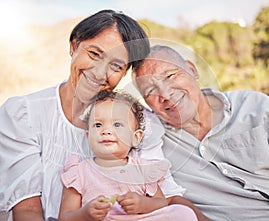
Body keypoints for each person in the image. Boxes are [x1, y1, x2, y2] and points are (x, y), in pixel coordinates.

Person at [0, 9, 173, 221]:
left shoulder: (139, 122)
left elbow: (165, 200)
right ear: (74, 46)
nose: (100, 73)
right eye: (94, 54)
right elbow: (27, 211)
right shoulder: (24, 115)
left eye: (116, 66)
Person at [133, 45, 269, 220]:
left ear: (192, 69)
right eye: (150, 91)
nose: (165, 94)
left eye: (170, 76)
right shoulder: (151, 142)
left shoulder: (254, 106)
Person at [58, 90, 198, 221]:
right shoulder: (79, 172)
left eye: (117, 124)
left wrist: (143, 204)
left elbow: (161, 203)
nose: (106, 130)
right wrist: (86, 213)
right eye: (98, 125)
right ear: (88, 136)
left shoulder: (142, 170)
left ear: (136, 137)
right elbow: (64, 217)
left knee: (184, 213)